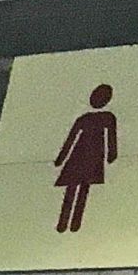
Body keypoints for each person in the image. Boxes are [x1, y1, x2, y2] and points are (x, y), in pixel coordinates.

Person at [54, 83, 120, 233]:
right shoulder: (86, 118)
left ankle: (74, 223)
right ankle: (64, 223)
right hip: (81, 155)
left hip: (91, 157)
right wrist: (61, 158)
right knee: (73, 189)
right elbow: (71, 139)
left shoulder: (107, 118)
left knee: (83, 188)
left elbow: (111, 138)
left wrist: (112, 154)